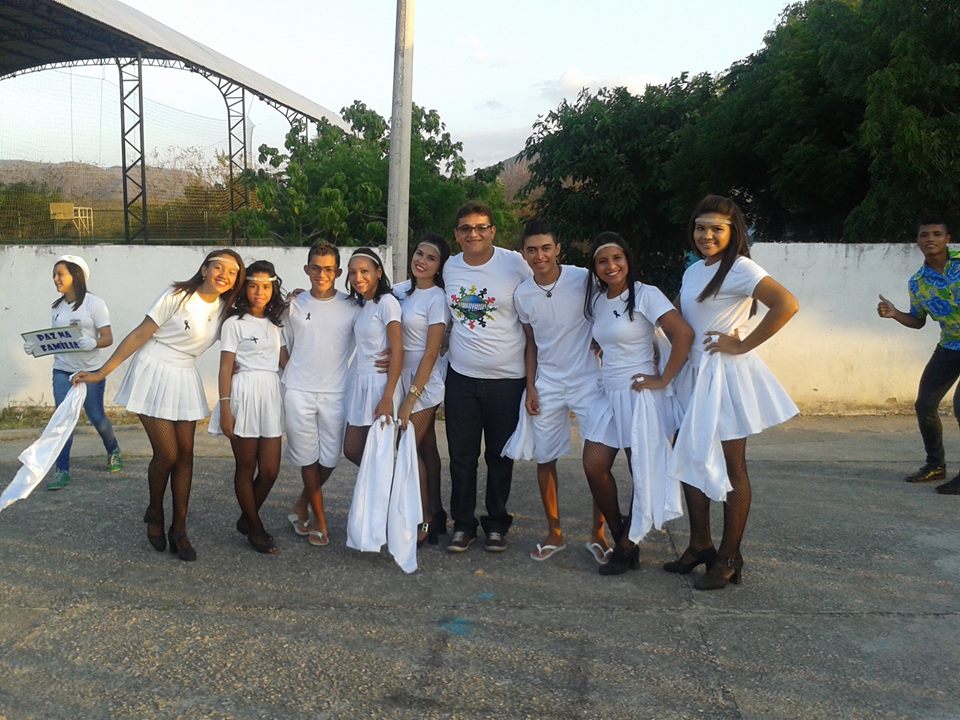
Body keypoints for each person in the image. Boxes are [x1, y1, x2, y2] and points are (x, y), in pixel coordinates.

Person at [73, 249, 245, 562]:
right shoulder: (177, 295)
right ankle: (155, 511)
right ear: (204, 269)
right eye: (218, 267)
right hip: (153, 370)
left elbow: (258, 317)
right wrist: (101, 373)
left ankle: (179, 529)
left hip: (185, 375)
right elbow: (141, 334)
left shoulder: (226, 312)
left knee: (186, 455)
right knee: (167, 454)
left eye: (232, 272)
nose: (224, 275)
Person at [666, 194, 799, 590]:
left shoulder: (740, 267)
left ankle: (729, 556)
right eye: (700, 227)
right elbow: (676, 315)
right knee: (691, 455)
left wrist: (741, 344)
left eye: (716, 229)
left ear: (733, 232)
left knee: (731, 465)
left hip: (723, 376)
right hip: (693, 376)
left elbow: (786, 304)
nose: (706, 235)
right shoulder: (695, 270)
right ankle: (699, 545)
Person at [581, 232, 694, 575]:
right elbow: (611, 335)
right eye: (602, 261)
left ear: (628, 260)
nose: (611, 266)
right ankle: (622, 535)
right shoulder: (598, 300)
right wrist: (602, 346)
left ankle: (626, 547)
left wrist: (663, 379)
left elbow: (683, 334)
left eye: (617, 258)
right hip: (608, 392)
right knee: (594, 464)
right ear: (595, 268)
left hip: (639, 393)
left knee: (641, 470)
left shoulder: (646, 294)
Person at [509, 219, 611, 562]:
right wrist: (530, 387)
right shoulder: (522, 294)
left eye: (546, 248)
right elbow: (531, 343)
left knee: (598, 461)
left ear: (558, 249)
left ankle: (599, 533)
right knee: (545, 458)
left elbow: (609, 311)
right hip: (548, 382)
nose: (540, 256)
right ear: (524, 254)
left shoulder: (584, 279)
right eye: (532, 250)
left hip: (589, 381)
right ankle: (554, 532)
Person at [443, 201, 531, 553]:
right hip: (461, 378)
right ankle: (463, 525)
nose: (474, 234)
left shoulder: (515, 263)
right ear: (457, 234)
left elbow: (545, 291)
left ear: (493, 230)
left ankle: (496, 524)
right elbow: (416, 288)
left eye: (481, 227)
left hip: (507, 380)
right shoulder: (450, 266)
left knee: (500, 456)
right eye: (466, 228)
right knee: (461, 457)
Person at [282, 242, 359, 547]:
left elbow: (373, 336)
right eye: (315, 267)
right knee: (307, 457)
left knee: (329, 458)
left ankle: (302, 504)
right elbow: (276, 337)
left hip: (336, 392)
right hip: (298, 391)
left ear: (338, 273)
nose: (321, 274)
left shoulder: (353, 306)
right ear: (306, 269)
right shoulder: (294, 304)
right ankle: (320, 520)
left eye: (328, 269)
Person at [23, 255, 122, 490]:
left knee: (97, 417)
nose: (55, 279)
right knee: (63, 420)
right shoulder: (56, 307)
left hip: (90, 372)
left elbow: (108, 337)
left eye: (60, 274)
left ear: (76, 275)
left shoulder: (95, 304)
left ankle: (113, 449)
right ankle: (62, 470)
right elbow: (57, 340)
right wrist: (36, 346)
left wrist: (93, 342)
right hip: (62, 371)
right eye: (54, 275)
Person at [209, 260, 288, 554]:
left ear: (273, 289)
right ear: (245, 288)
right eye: (254, 286)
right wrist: (225, 408)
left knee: (270, 470)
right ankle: (255, 528)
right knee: (245, 466)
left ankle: (247, 516)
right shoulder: (234, 324)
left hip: (270, 396)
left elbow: (286, 362)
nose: (260, 292)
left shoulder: (277, 324)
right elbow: (225, 367)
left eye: (266, 286)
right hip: (242, 395)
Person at [878, 217, 960, 495]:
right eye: (925, 235)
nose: (930, 239)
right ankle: (935, 465)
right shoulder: (918, 282)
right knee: (925, 404)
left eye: (937, 233)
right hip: (950, 346)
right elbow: (918, 320)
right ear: (918, 241)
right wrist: (894, 313)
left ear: (948, 238)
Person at [393, 234, 451, 546]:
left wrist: (409, 399)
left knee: (406, 448)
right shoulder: (399, 290)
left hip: (423, 382)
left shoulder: (437, 298)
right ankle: (437, 514)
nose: (422, 261)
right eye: (419, 253)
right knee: (425, 449)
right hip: (399, 375)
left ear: (439, 266)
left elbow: (430, 353)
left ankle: (424, 520)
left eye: (431, 258)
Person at [342, 248, 404, 463]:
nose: (357, 277)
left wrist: (387, 397)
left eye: (364, 271)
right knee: (353, 450)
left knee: (379, 453)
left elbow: (398, 350)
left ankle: (389, 483)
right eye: (352, 272)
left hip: (379, 384)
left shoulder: (387, 302)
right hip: (360, 382)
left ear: (378, 272)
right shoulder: (361, 304)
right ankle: (377, 483)